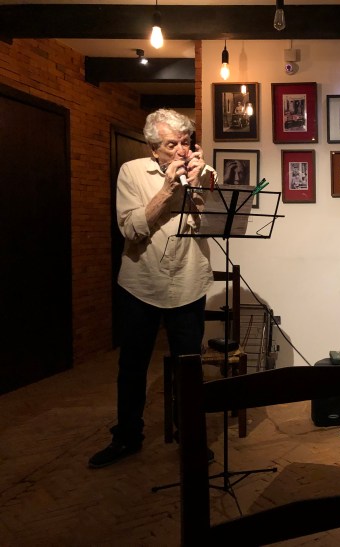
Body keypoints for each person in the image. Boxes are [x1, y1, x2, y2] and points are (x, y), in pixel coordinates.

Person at [89, 109, 217, 468]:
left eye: (185, 142)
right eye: (172, 144)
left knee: (188, 367)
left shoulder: (205, 173)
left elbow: (215, 224)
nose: (181, 150)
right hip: (141, 283)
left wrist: (201, 183)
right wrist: (168, 189)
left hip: (188, 280)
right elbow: (131, 229)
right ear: (153, 148)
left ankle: (190, 437)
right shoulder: (131, 172)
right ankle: (127, 436)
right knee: (132, 365)